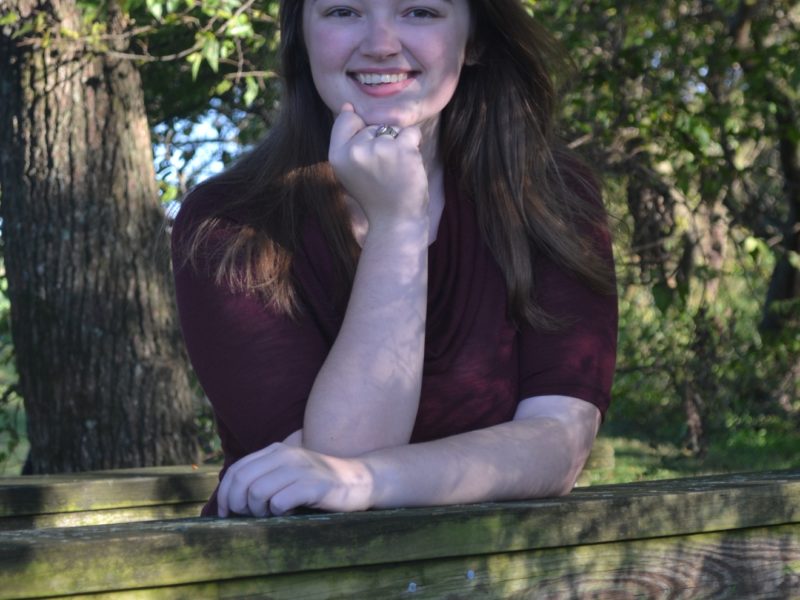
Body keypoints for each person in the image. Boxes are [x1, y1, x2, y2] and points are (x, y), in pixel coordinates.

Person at [171, 0, 618, 519]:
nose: (380, 44)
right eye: (343, 11)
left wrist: (371, 481)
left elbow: (559, 442)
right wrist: (398, 223)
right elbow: (326, 478)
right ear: (301, 37)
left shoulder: (551, 200)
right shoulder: (230, 222)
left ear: (475, 40)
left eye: (420, 11)